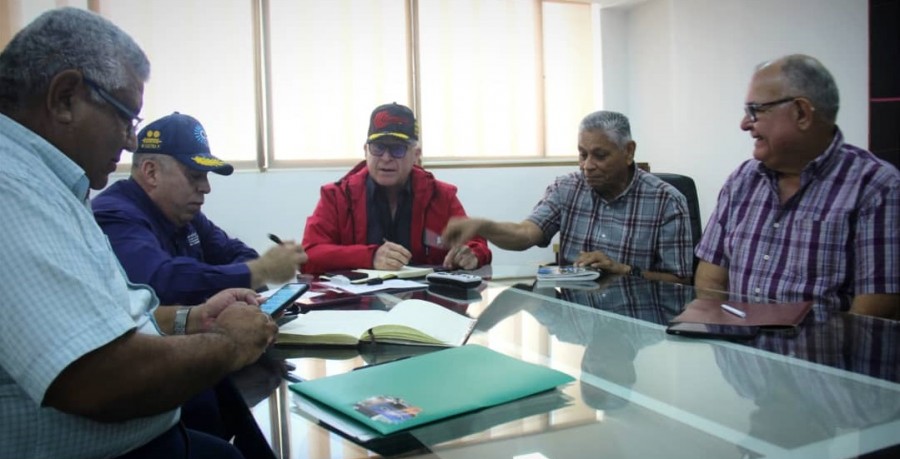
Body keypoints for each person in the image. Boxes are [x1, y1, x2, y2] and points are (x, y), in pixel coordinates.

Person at [0, 8, 278, 459]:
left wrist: (193, 317)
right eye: (126, 117)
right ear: (64, 98)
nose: (131, 141)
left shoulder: (51, 186)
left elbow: (113, 317)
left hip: (134, 445)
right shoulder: (14, 191)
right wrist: (229, 342)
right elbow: (98, 378)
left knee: (234, 440)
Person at [694, 54, 900, 319]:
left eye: (755, 110)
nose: (744, 124)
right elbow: (710, 279)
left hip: (821, 348)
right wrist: (724, 334)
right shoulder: (742, 180)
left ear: (801, 113)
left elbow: (874, 312)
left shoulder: (876, 187)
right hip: (737, 344)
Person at [442, 110, 694, 284]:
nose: (587, 166)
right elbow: (526, 234)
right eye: (582, 154)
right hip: (576, 318)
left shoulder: (667, 201)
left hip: (639, 323)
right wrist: (484, 226)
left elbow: (681, 280)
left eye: (600, 156)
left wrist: (623, 270)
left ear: (628, 152)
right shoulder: (567, 187)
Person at [93, 112, 307, 305]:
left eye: (205, 176)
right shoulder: (114, 216)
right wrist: (260, 270)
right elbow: (160, 283)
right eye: (195, 176)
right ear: (151, 172)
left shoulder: (186, 215)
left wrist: (247, 279)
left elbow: (239, 254)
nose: (206, 188)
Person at [301, 103, 491, 275]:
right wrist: (370, 257)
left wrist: (472, 255)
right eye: (378, 148)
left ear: (416, 155)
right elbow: (308, 256)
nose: (386, 158)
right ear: (365, 151)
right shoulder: (337, 197)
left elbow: (477, 244)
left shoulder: (441, 196)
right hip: (357, 301)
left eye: (397, 149)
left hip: (425, 300)